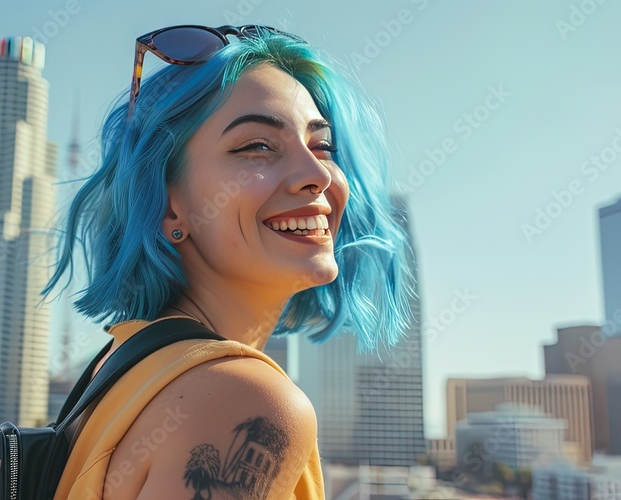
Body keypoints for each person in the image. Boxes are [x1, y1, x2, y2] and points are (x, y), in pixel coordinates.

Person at [41, 24, 415, 499]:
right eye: (257, 146)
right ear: (168, 206)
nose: (316, 174)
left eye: (321, 146)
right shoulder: (247, 403)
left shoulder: (121, 363)